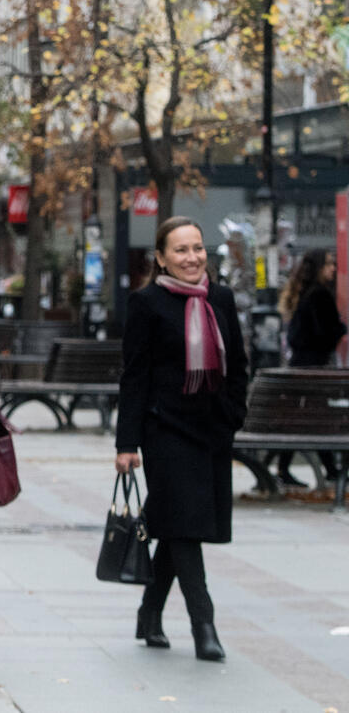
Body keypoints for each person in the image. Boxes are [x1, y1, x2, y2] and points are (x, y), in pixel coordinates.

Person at [115, 216, 248, 662]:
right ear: (161, 258)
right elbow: (134, 377)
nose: (191, 258)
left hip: (211, 430)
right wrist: (126, 444)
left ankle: (149, 611)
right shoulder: (147, 304)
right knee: (186, 526)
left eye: (197, 248)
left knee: (177, 525)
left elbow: (239, 367)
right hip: (165, 430)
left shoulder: (222, 299)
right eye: (180, 250)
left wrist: (233, 416)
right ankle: (203, 625)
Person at [273, 249, 346, 484]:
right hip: (313, 369)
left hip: (301, 367)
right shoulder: (319, 295)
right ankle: (331, 470)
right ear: (318, 268)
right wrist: (340, 328)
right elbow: (324, 333)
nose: (333, 269)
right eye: (328, 264)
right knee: (316, 418)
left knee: (305, 418)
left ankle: (290, 469)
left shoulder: (305, 294)